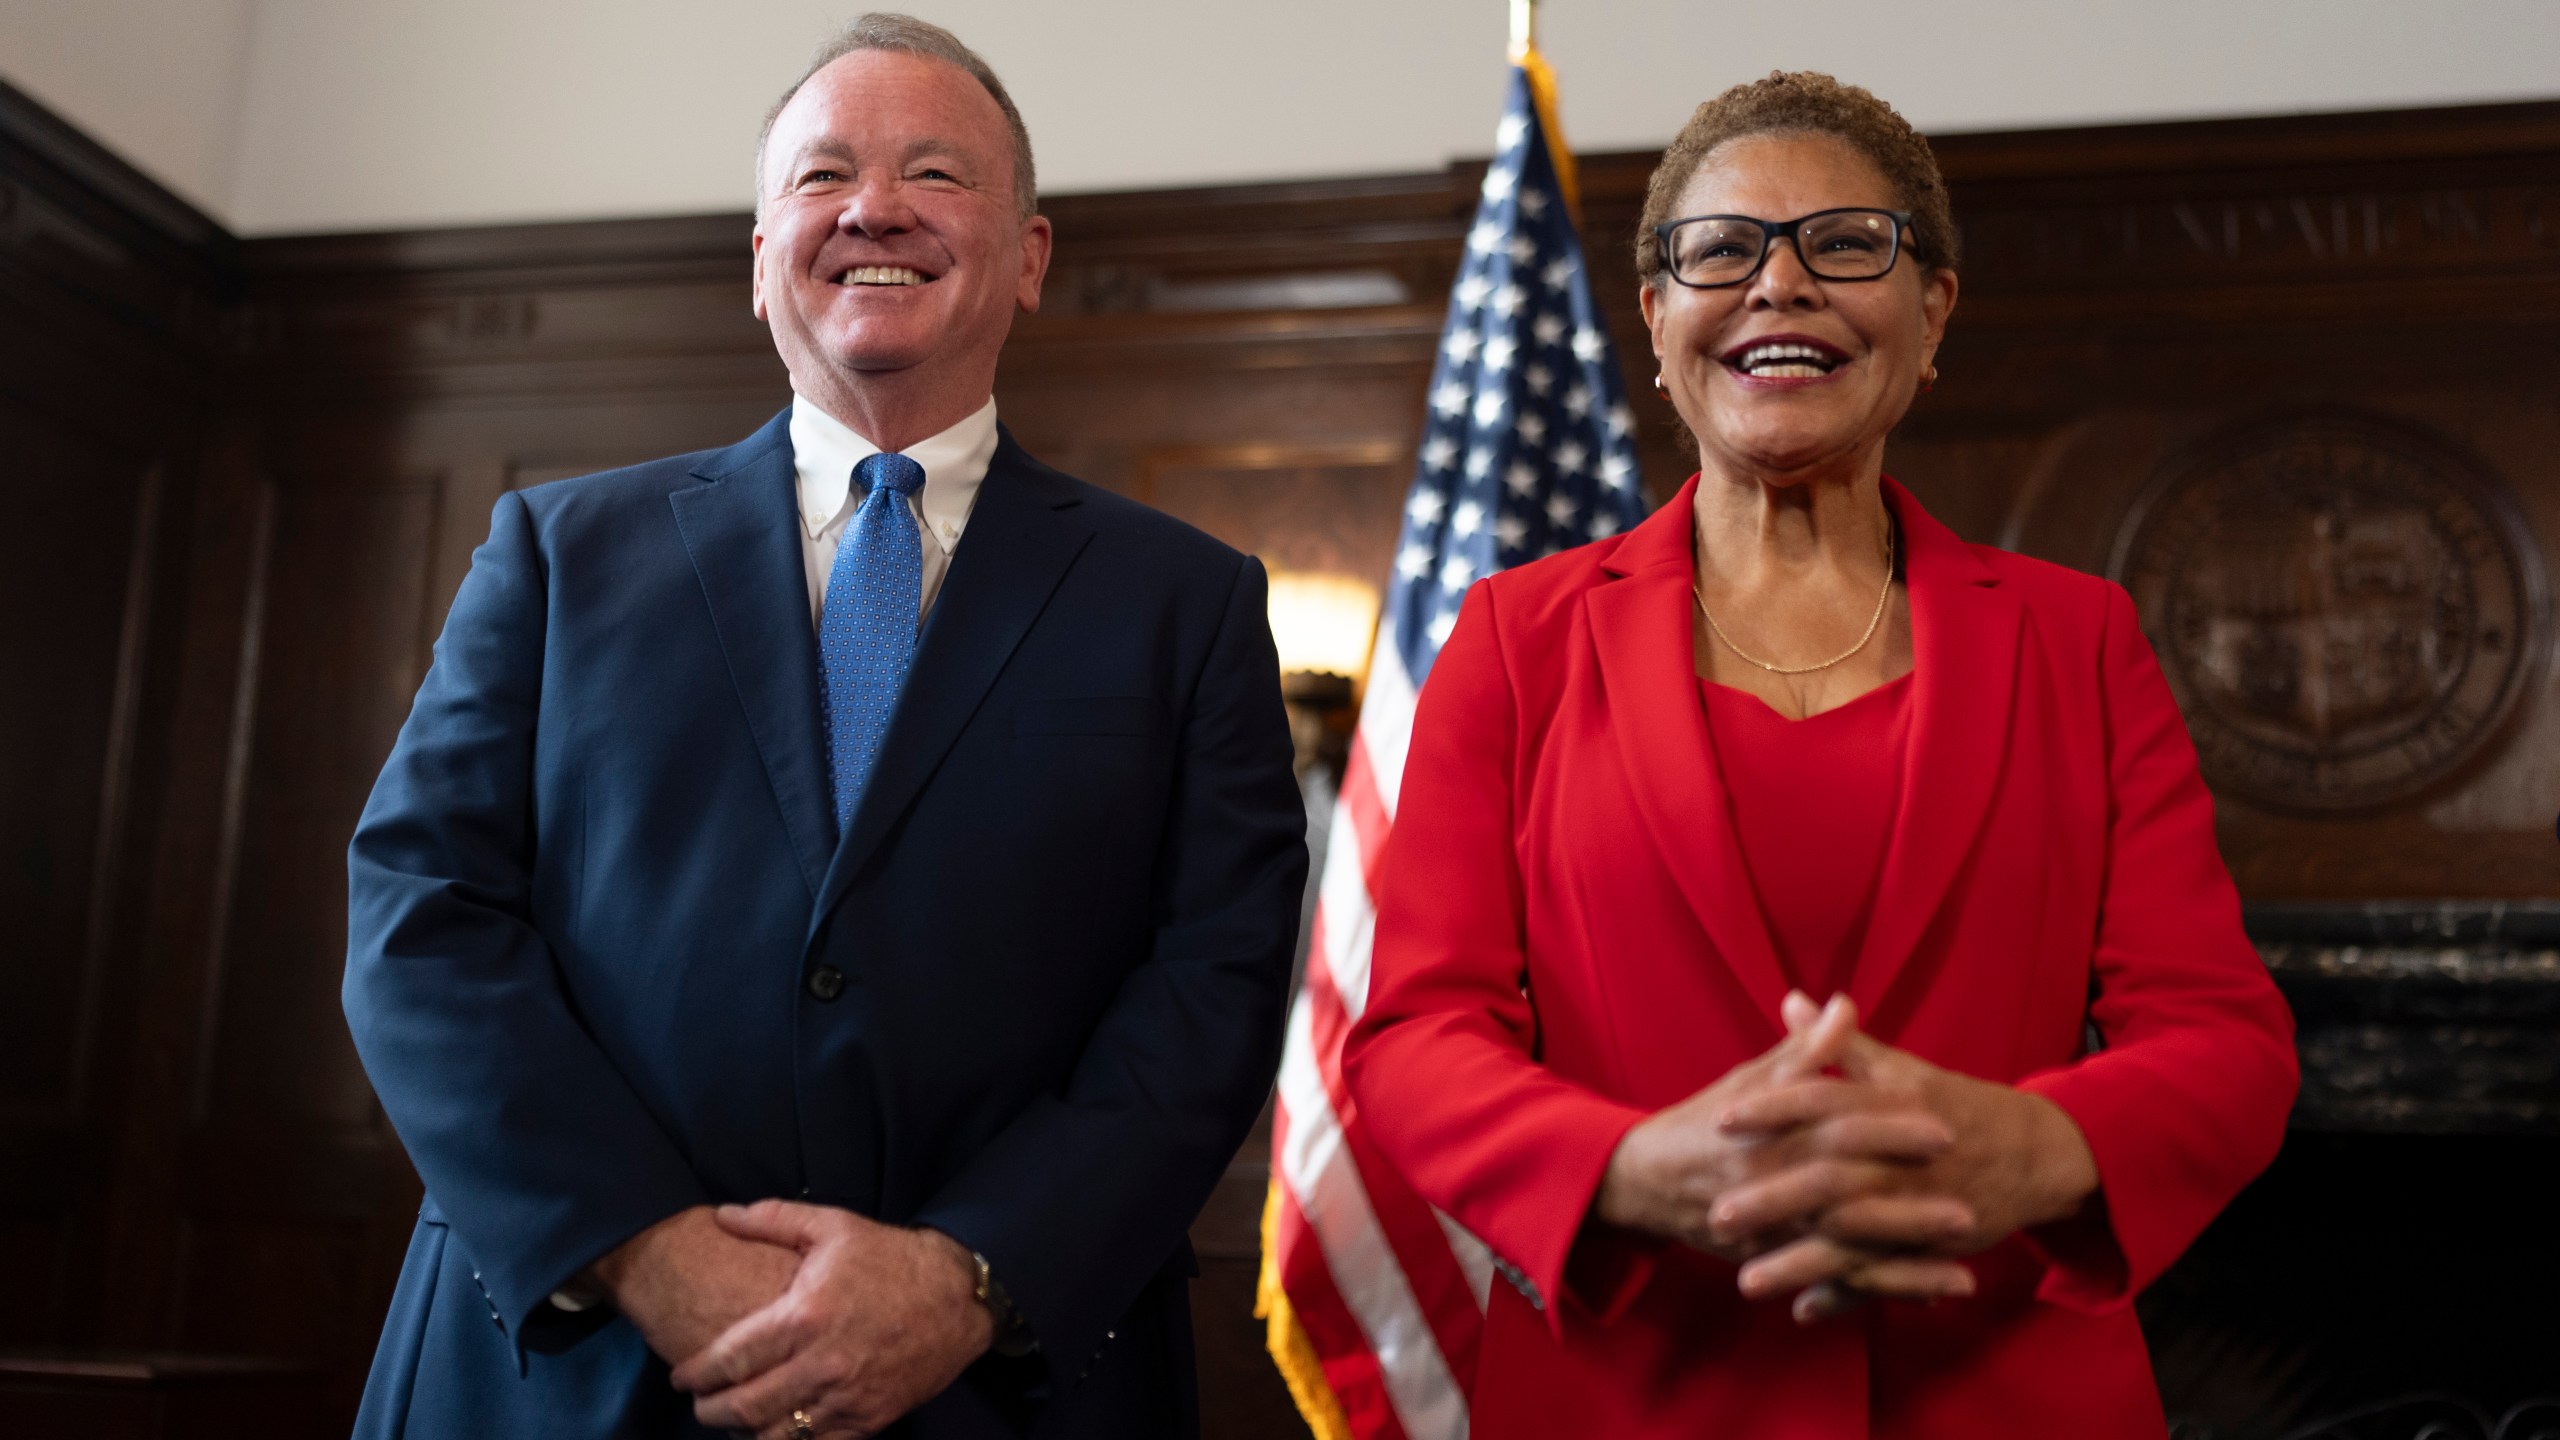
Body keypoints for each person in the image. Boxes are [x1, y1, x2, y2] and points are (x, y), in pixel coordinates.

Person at [341, 15, 1306, 1440]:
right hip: (567, 1370)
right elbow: (419, 917)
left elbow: (1214, 990)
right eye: (822, 176)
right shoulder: (555, 552)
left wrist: (966, 1279)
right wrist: (649, 1249)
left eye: (937, 172)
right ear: (759, 260)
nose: (874, 208)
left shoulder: (1188, 602)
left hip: (1001, 1386)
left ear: (1029, 258)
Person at [1341, 71, 2297, 1438]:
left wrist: (2033, 1151)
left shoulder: (2078, 640)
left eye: (1846, 244)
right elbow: (1417, 1037)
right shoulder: (1514, 639)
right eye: (1721, 251)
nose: (1778, 286)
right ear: (1659, 316)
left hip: (2005, 1396)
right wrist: (1629, 1166)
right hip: (1632, 1392)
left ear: (1933, 312)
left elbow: (2225, 1038)